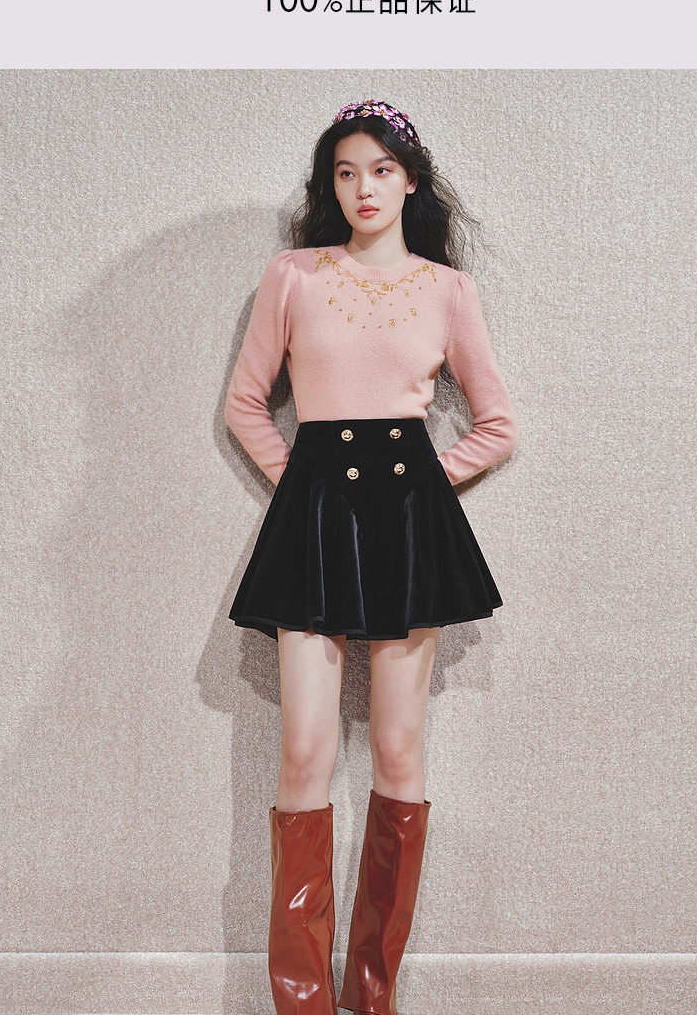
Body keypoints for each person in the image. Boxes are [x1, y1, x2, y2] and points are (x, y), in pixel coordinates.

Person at [223, 100, 520, 1015]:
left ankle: (373, 993)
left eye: (382, 170)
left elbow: (497, 424)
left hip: (408, 530)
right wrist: (305, 488)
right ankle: (303, 1001)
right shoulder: (293, 275)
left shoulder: (447, 289)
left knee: (398, 747)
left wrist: (425, 487)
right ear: (331, 185)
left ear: (410, 181)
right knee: (304, 749)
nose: (364, 188)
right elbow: (246, 404)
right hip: (313, 528)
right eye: (346, 172)